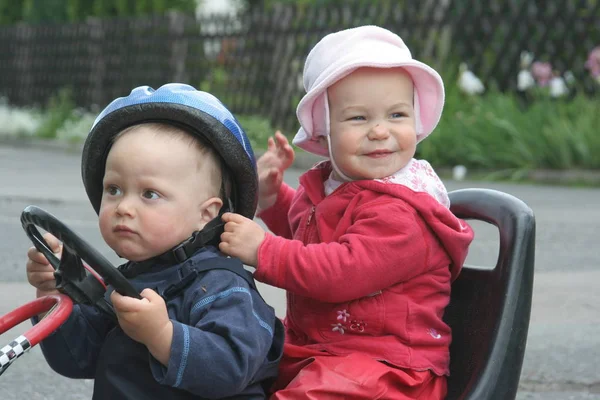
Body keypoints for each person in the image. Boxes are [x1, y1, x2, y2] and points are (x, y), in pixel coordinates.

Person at [219, 26, 475, 399]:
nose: (380, 131)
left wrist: (264, 250)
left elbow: (341, 270)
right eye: (358, 118)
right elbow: (311, 232)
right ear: (323, 134)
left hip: (389, 370)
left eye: (397, 115)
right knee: (231, 360)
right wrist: (274, 200)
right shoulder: (333, 185)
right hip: (324, 351)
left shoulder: (403, 211)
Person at [25, 83, 284, 399]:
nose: (124, 207)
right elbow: (77, 359)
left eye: (149, 194)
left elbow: (231, 369)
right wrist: (54, 293)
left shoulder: (223, 287)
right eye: (114, 189)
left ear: (206, 214)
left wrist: (164, 336)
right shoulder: (127, 280)